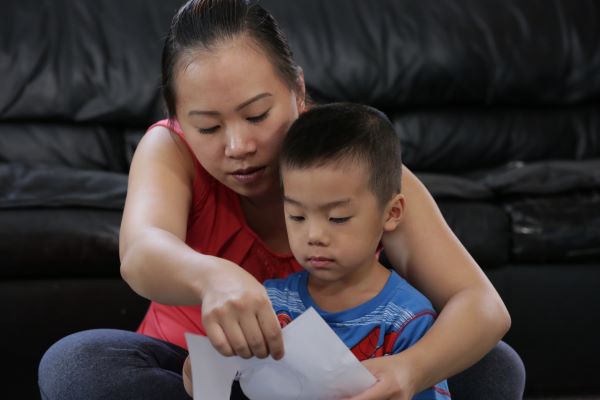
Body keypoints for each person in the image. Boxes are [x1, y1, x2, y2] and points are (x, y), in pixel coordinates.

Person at [38, 0, 525, 399]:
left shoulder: (354, 163)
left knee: (494, 366)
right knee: (76, 365)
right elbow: (141, 253)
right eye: (208, 126)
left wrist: (410, 371)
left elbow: (482, 305)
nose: (237, 147)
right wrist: (212, 277)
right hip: (197, 375)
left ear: (297, 90)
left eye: (257, 115)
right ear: (180, 119)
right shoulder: (169, 149)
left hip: (348, 380)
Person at [183, 102, 452, 399]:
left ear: (391, 213)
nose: (314, 236)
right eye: (297, 217)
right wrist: (197, 370)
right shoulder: (270, 303)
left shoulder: (407, 320)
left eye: (337, 218)